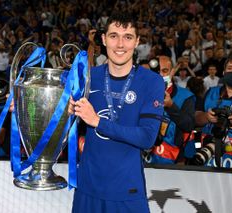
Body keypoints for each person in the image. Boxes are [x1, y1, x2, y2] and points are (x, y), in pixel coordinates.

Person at [68, 12, 165, 213]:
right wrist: (28, 106)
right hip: (87, 189)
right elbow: (58, 123)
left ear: (137, 41)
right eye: (113, 36)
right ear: (103, 39)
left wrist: (98, 121)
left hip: (126, 192)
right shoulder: (86, 77)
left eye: (127, 37)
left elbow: (147, 137)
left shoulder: (151, 81)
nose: (120, 45)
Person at [146, 56, 196, 164]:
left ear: (172, 71)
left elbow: (189, 125)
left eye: (164, 71)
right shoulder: (141, 93)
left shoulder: (186, 96)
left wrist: (171, 106)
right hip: (143, 160)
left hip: (173, 162)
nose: (160, 75)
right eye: (157, 71)